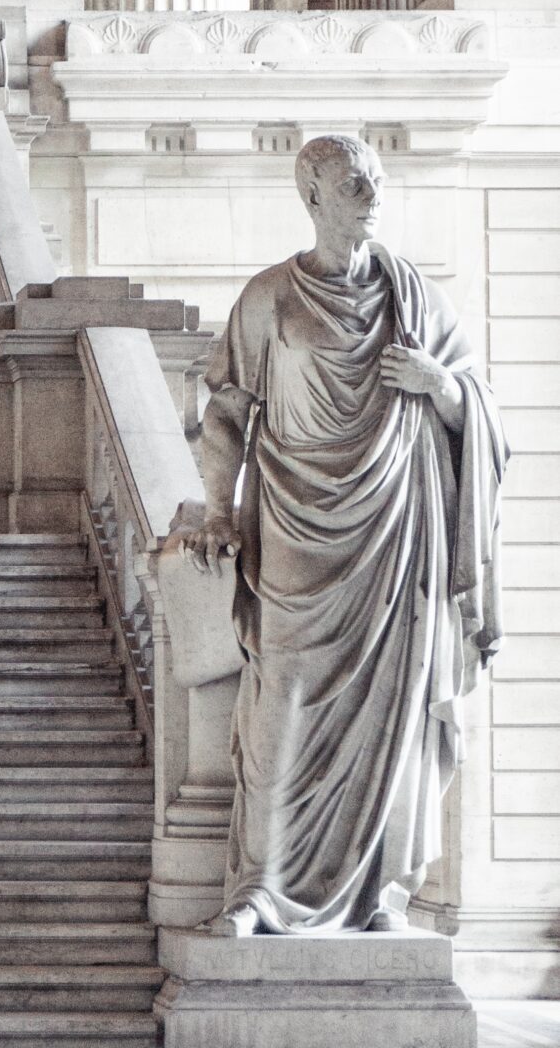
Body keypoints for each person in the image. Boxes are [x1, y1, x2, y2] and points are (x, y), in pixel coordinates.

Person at [169, 131, 506, 935]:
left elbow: (482, 415)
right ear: (313, 196)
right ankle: (261, 889)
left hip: (395, 536)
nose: (372, 193)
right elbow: (225, 417)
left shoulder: (415, 297)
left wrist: (442, 388)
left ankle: (378, 895)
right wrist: (219, 510)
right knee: (282, 707)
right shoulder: (269, 299)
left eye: (378, 179)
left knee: (390, 716)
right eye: (355, 182)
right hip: (293, 530)